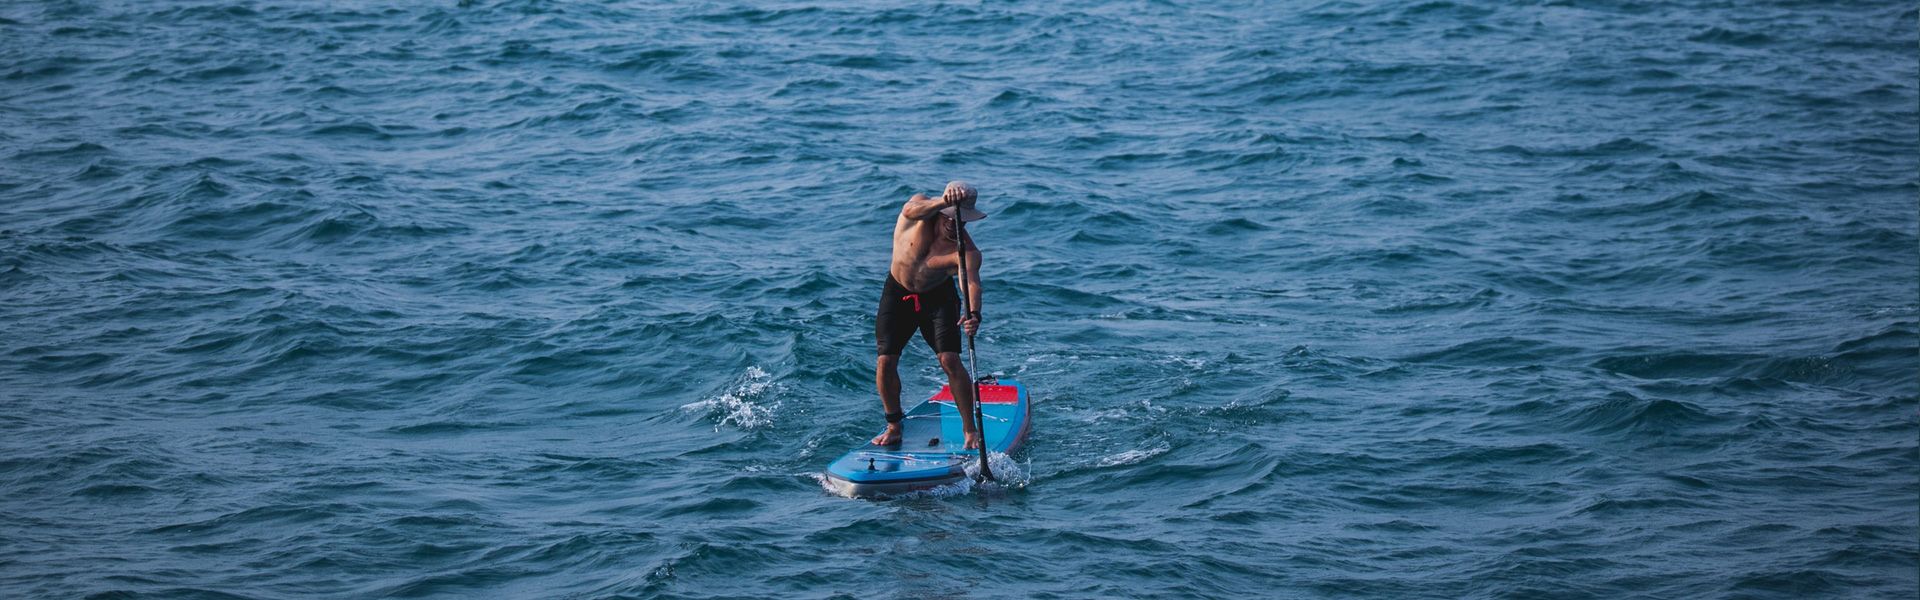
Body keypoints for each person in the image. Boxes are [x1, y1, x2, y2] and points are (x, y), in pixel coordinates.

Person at [872, 180, 986, 449]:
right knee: (886, 361)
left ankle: (970, 431)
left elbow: (970, 282)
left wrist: (974, 313)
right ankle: (894, 426)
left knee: (949, 359)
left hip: (938, 297)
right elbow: (911, 209)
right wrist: (946, 202)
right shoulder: (919, 213)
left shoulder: (966, 250)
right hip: (897, 292)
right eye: (950, 216)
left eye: (961, 220)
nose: (954, 224)